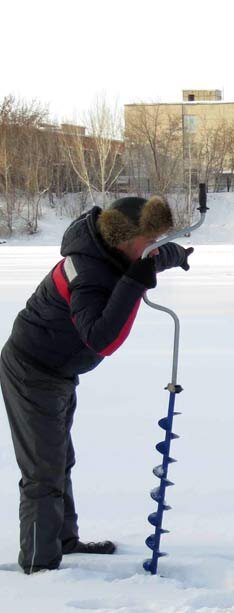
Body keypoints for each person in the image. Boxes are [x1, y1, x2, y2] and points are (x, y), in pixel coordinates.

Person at [0, 196, 192, 574]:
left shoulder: (115, 253)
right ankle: (39, 565)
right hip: (30, 371)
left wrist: (176, 255)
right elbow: (101, 337)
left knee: (60, 460)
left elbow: (150, 258)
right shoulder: (87, 272)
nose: (154, 247)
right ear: (126, 238)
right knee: (44, 470)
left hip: (58, 372)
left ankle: (64, 540)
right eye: (150, 239)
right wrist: (136, 282)